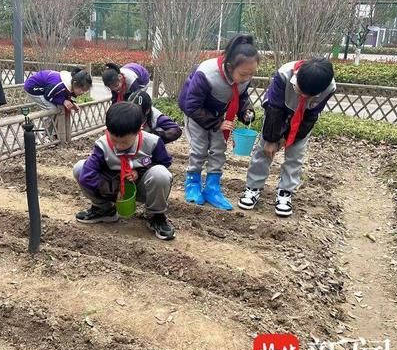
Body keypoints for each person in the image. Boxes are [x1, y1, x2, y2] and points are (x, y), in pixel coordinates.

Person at [238, 58, 336, 217]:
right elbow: (274, 108)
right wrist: (272, 140)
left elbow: (311, 116)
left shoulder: (329, 87)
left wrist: (290, 138)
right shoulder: (284, 74)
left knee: (295, 155)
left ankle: (285, 192)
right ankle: (253, 188)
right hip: (278, 112)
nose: (302, 96)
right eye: (300, 91)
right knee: (264, 150)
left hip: (302, 119)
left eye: (308, 95)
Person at [73, 102, 175, 241]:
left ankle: (156, 216)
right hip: (112, 188)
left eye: (124, 142)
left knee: (160, 173)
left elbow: (164, 162)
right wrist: (115, 190)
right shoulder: (102, 145)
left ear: (139, 130)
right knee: (79, 168)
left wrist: (140, 171)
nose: (119, 146)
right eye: (114, 140)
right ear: (108, 130)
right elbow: (87, 175)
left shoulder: (152, 142)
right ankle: (104, 209)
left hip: (141, 188)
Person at [178, 34, 258, 211]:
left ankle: (212, 188)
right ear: (229, 67)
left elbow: (241, 97)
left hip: (218, 114)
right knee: (199, 148)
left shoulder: (243, 77)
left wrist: (246, 112)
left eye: (252, 73)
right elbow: (192, 105)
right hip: (196, 113)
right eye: (244, 74)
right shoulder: (207, 73)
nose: (248, 78)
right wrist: (216, 123)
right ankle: (192, 184)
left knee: (218, 148)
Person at [24, 67, 92, 112]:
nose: (82, 92)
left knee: (59, 106)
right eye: (82, 90)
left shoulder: (72, 85)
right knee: (52, 109)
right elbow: (47, 96)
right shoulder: (59, 85)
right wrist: (63, 101)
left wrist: (72, 103)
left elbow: (70, 96)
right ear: (75, 83)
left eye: (85, 91)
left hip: (48, 89)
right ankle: (46, 129)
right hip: (33, 87)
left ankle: (54, 128)